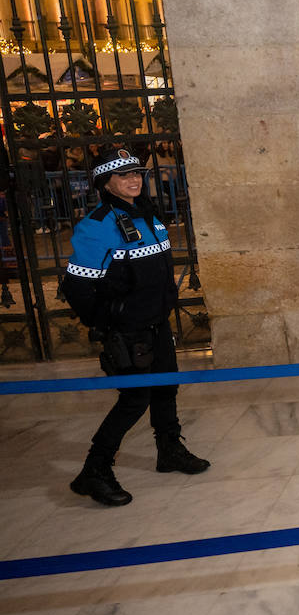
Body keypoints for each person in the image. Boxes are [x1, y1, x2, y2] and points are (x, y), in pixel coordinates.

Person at [61, 148, 210, 507]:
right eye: (124, 175)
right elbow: (76, 286)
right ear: (105, 183)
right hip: (129, 330)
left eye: (137, 174)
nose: (134, 180)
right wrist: (109, 323)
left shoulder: (149, 216)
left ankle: (169, 450)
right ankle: (94, 471)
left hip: (156, 322)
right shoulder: (96, 226)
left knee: (165, 389)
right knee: (134, 400)